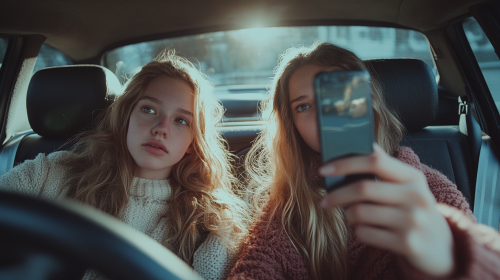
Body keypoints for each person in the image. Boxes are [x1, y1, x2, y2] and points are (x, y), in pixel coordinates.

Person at [228, 42, 500, 280]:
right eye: (304, 106)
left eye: (336, 100)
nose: (324, 116)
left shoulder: (431, 192)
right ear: (292, 125)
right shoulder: (287, 204)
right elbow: (255, 266)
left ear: (367, 105)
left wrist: (450, 261)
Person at [0, 49, 248, 280]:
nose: (161, 128)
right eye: (149, 109)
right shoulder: (51, 173)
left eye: (181, 121)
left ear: (193, 143)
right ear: (126, 116)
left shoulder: (211, 223)